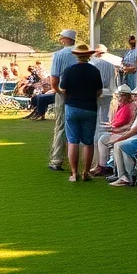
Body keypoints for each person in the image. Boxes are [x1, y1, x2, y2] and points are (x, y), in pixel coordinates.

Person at [58, 43, 104, 183]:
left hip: (72, 107)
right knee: (88, 142)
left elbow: (63, 89)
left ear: (76, 55)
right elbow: (99, 91)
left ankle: (73, 173)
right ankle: (86, 172)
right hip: (89, 108)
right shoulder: (94, 71)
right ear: (89, 56)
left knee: (73, 141)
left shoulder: (69, 70)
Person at [47, 30, 78, 171]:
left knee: (60, 126)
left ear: (65, 39)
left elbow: (54, 81)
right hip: (82, 94)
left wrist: (59, 91)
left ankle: (57, 159)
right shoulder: (83, 54)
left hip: (64, 93)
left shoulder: (59, 55)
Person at [90, 46, 119, 174]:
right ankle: (103, 158)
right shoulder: (110, 65)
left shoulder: (92, 64)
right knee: (104, 120)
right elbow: (113, 83)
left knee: (96, 123)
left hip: (96, 94)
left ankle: (99, 156)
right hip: (107, 93)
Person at [94, 86, 134, 173]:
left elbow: (119, 123)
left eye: (120, 96)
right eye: (118, 96)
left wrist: (111, 128)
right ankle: (102, 164)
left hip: (122, 133)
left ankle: (103, 166)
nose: (118, 98)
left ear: (126, 97)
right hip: (119, 131)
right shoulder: (123, 107)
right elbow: (115, 122)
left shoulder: (127, 108)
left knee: (101, 139)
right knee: (99, 137)